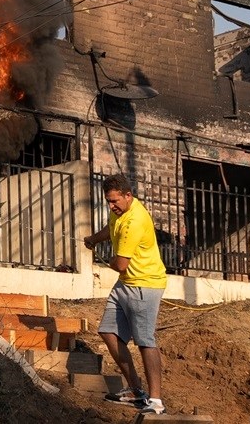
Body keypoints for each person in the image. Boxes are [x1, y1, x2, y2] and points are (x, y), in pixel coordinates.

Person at [83, 174, 168, 415]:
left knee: (145, 341)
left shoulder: (134, 221)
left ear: (128, 196)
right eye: (108, 202)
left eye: (115, 201)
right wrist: (92, 240)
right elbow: (110, 229)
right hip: (126, 284)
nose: (111, 206)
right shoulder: (119, 212)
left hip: (145, 285)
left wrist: (106, 260)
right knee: (108, 331)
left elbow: (120, 263)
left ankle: (156, 401)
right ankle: (135, 390)